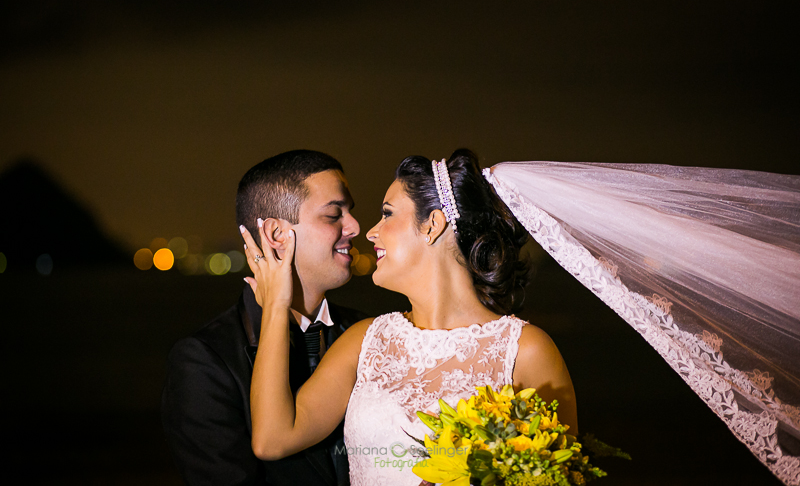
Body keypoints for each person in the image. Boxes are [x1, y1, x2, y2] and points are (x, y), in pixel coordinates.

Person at [242, 149, 577, 485]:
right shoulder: (364, 341)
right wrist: (275, 303)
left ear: (432, 225)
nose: (369, 232)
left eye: (387, 214)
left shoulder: (526, 351)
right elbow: (273, 439)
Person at [162, 150, 365, 486]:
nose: (355, 227)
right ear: (276, 235)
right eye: (333, 215)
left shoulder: (369, 332)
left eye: (350, 212)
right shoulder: (206, 360)